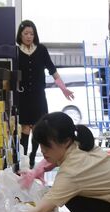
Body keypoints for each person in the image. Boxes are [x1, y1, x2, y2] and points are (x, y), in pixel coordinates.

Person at [17, 20, 75, 169]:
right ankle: (23, 159)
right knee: (25, 128)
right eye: (26, 33)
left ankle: (31, 158)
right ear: (20, 35)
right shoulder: (16, 51)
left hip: (38, 96)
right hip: (23, 96)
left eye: (31, 33)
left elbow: (52, 70)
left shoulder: (41, 50)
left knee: (37, 128)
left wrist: (64, 88)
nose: (29, 36)